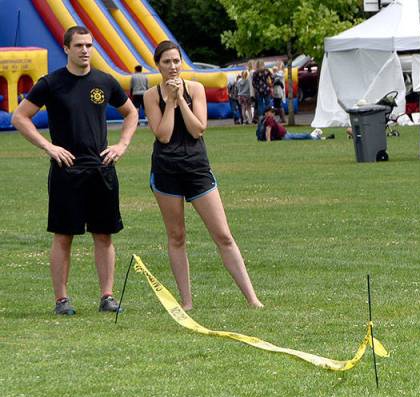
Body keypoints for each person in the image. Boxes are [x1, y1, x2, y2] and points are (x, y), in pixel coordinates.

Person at [12, 25, 138, 315]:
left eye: (89, 45)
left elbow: (131, 113)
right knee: (63, 236)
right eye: (79, 45)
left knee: (104, 235)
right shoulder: (51, 83)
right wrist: (49, 147)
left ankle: (107, 297)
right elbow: (20, 117)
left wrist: (122, 144)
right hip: (66, 171)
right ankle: (62, 300)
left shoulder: (105, 81)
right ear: (66, 48)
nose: (85, 50)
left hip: (101, 169)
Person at [144, 40, 262, 310]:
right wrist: (169, 103)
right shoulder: (151, 96)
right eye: (167, 62)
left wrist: (180, 100)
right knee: (177, 237)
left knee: (223, 235)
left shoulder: (195, 89)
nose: (173, 66)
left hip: (196, 169)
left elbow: (198, 129)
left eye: (176, 61)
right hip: (166, 171)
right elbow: (163, 135)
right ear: (157, 65)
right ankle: (186, 302)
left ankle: (253, 299)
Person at [259, 107, 331, 141]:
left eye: (273, 112)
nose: (273, 113)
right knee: (304, 136)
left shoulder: (266, 119)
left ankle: (319, 137)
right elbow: (268, 129)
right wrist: (268, 141)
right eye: (272, 112)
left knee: (303, 137)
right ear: (267, 113)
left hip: (285, 134)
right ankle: (319, 137)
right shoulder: (269, 119)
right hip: (284, 136)